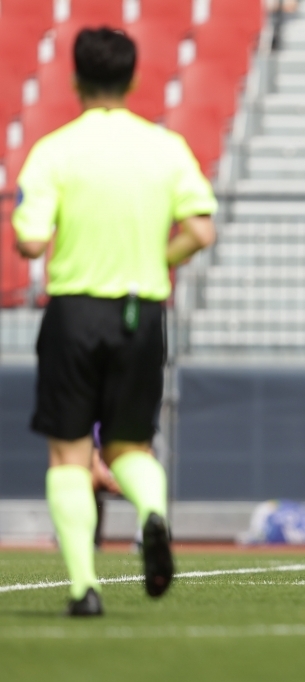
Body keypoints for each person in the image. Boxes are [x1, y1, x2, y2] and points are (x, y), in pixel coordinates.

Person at [12, 28, 218, 615]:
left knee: (69, 455)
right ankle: (152, 514)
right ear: (132, 80)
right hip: (140, 311)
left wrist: (38, 229)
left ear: (75, 80)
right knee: (129, 446)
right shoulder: (166, 147)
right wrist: (158, 259)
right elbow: (201, 230)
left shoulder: (53, 149)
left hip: (74, 312)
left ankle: (84, 588)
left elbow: (29, 243)